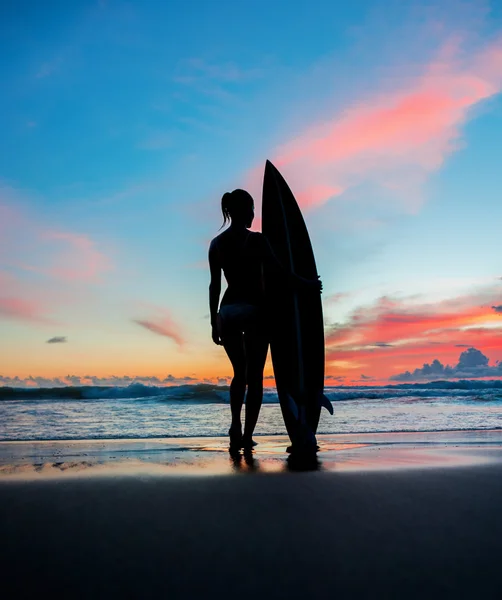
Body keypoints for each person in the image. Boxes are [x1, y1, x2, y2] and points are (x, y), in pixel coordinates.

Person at [208, 189, 320, 451]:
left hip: (228, 311)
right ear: (244, 210)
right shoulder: (257, 241)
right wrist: (308, 284)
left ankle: (235, 427)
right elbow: (281, 273)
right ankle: (247, 436)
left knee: (239, 375)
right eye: (251, 209)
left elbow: (214, 285)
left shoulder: (216, 244)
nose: (254, 213)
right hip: (256, 311)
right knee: (255, 376)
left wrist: (214, 320)